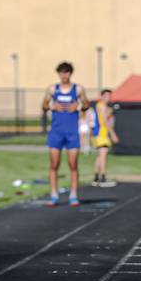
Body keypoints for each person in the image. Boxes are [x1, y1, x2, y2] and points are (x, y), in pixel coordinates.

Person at [42, 62, 89, 207]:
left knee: (73, 164)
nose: (64, 75)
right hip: (56, 132)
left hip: (72, 133)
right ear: (58, 74)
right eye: (62, 72)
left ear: (70, 73)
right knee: (54, 164)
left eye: (67, 72)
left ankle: (73, 195)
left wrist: (79, 106)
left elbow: (86, 104)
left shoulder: (78, 89)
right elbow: (44, 106)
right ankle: (54, 195)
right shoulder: (52, 89)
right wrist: (52, 106)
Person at [92, 89, 119, 187]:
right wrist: (113, 134)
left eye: (109, 96)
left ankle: (96, 178)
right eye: (106, 96)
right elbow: (104, 121)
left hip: (98, 133)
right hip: (101, 134)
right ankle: (102, 178)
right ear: (102, 96)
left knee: (99, 156)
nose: (108, 98)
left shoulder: (99, 106)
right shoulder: (102, 106)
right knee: (103, 156)